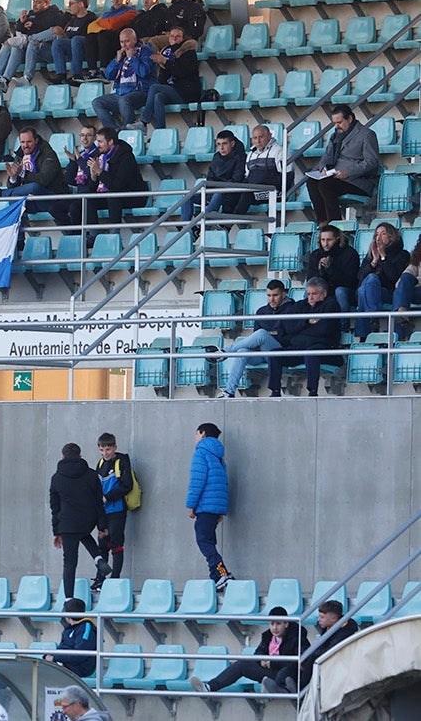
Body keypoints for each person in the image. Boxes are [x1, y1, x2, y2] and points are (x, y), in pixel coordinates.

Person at [190, 606, 309, 693]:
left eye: (278, 624)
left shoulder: (297, 635)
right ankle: (209, 687)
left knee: (286, 671)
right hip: (272, 672)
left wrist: (272, 662)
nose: (274, 627)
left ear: (286, 624)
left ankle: (281, 689)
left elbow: (297, 660)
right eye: (272, 624)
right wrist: (261, 660)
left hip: (288, 674)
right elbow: (258, 653)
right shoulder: (267, 636)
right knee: (243, 664)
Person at [49, 443, 112, 600]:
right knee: (84, 534)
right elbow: (99, 502)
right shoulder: (91, 475)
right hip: (87, 520)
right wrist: (102, 526)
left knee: (70, 562)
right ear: (80, 455)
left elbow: (54, 507)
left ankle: (69, 599)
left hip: (67, 523)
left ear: (63, 456)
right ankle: (98, 558)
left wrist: (56, 531)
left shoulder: (57, 478)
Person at [214, 279, 295, 398]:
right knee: (242, 352)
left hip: (282, 353)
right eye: (269, 295)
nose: (271, 299)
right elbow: (256, 338)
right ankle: (229, 391)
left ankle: (226, 351)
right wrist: (270, 335)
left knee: (262, 334)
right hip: (263, 353)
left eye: (275, 295)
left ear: (284, 294)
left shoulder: (292, 308)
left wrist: (268, 335)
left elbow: (287, 336)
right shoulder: (262, 311)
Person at [268, 277, 344, 396]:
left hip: (325, 350)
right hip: (299, 348)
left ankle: (312, 392)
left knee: (311, 353)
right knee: (274, 354)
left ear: (324, 293)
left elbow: (323, 330)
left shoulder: (331, 305)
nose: (311, 297)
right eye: (308, 294)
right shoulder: (300, 305)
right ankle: (275, 391)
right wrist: (307, 322)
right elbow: (289, 327)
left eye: (314, 294)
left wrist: (300, 330)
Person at [307, 105, 381, 224]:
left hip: (358, 181)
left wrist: (348, 172)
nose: (337, 126)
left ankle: (335, 225)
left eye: (340, 122)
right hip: (336, 176)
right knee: (312, 181)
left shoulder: (367, 135)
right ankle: (323, 222)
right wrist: (322, 169)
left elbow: (372, 162)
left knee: (325, 184)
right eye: (334, 123)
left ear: (350, 119)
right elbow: (326, 156)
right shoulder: (335, 135)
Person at [0, 0, 65, 92]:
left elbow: (56, 31)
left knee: (31, 42)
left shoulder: (55, 13)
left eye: (38, 2)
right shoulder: (30, 14)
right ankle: (1, 79)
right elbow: (17, 33)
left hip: (47, 50)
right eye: (34, 1)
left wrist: (34, 26)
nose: (35, 5)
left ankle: (27, 77)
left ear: (47, 2)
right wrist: (21, 23)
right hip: (30, 52)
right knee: (13, 46)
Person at [271, 599, 358, 693]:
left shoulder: (345, 630)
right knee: (298, 662)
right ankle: (281, 686)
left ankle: (298, 688)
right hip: (323, 660)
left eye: (322, 617)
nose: (318, 620)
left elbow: (330, 649)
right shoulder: (329, 627)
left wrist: (309, 658)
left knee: (311, 657)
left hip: (334, 662)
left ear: (333, 619)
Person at [186, 422, 234, 589]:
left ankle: (222, 573)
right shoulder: (218, 456)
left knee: (203, 541)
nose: (196, 438)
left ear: (203, 433)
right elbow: (223, 483)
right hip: (215, 507)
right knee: (209, 541)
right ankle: (216, 577)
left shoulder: (201, 453)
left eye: (197, 434)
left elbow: (197, 481)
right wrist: (221, 510)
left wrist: (191, 505)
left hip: (205, 506)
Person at [353, 221, 410, 341]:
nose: (379, 237)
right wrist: (374, 261)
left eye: (383, 233)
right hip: (366, 293)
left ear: (391, 236)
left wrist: (383, 257)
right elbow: (360, 276)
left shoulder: (402, 255)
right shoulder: (371, 256)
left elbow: (393, 277)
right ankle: (372, 319)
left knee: (369, 283)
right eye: (376, 234)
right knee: (367, 284)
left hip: (388, 293)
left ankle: (365, 333)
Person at [3, 127, 69, 227]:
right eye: (22, 142)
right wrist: (13, 178)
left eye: (29, 142)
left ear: (36, 141)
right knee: (15, 201)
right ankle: (19, 241)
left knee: (34, 187)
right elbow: (13, 188)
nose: (25, 145)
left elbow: (43, 180)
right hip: (31, 201)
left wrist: (22, 174)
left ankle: (1, 193)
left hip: (51, 199)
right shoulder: (20, 156)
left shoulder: (48, 154)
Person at [139, 26, 200, 134]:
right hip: (173, 90)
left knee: (154, 87)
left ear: (183, 38)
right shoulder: (168, 52)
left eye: (178, 36)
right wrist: (161, 64)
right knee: (158, 97)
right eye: (172, 36)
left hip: (186, 92)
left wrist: (166, 62)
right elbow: (164, 78)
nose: (174, 38)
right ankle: (160, 131)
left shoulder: (189, 53)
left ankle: (143, 122)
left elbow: (182, 72)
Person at [91, 29, 155, 131]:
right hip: (121, 93)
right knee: (97, 102)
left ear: (134, 39)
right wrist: (117, 60)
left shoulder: (145, 51)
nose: (124, 45)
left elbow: (144, 72)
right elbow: (108, 75)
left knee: (124, 100)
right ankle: (114, 131)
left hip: (141, 92)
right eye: (121, 42)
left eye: (127, 41)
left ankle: (128, 129)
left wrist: (132, 58)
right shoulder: (122, 54)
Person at [93, 432, 134, 582]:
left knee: (116, 545)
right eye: (102, 450)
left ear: (115, 447)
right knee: (102, 546)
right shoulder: (100, 463)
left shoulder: (122, 461)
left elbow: (127, 486)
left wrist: (107, 497)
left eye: (108, 449)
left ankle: (115, 579)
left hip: (117, 510)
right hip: (102, 512)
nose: (105, 453)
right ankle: (100, 578)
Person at [224, 125, 292, 215]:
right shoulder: (251, 155)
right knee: (230, 193)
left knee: (248, 194)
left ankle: (229, 223)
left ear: (269, 136)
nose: (258, 141)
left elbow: (288, 176)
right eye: (255, 138)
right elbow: (247, 177)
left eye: (261, 137)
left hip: (275, 192)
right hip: (255, 190)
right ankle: (223, 221)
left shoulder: (280, 151)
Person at [84, 127, 146, 226]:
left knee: (113, 196)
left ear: (110, 141)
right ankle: (91, 234)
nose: (97, 146)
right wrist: (93, 176)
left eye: (100, 142)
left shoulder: (126, 157)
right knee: (85, 200)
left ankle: (114, 233)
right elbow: (92, 188)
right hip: (111, 193)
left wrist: (100, 171)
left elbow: (117, 185)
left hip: (133, 195)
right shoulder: (100, 155)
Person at [180, 130, 246, 222]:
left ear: (232, 143)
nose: (221, 147)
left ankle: (200, 223)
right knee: (188, 196)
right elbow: (210, 177)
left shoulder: (240, 157)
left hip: (230, 193)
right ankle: (185, 226)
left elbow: (237, 179)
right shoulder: (216, 157)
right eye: (218, 144)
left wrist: (217, 187)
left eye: (224, 144)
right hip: (214, 191)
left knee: (218, 194)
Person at [303, 224, 361, 318]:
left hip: (346, 292)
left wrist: (330, 269)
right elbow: (310, 281)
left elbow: (351, 281)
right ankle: (309, 323)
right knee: (309, 292)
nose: (325, 244)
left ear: (337, 239)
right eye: (323, 240)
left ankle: (343, 327)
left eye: (329, 240)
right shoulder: (315, 255)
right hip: (324, 291)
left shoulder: (350, 254)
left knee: (340, 291)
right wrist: (320, 270)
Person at [85, 0, 137, 71]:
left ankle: (104, 68)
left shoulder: (131, 12)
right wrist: (106, 24)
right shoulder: (106, 14)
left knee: (103, 34)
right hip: (104, 41)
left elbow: (113, 24)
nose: (116, 1)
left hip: (119, 42)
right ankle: (92, 71)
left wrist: (101, 24)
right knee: (90, 37)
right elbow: (90, 27)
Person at [51, 0, 96, 86]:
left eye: (71, 3)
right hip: (72, 50)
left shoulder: (91, 19)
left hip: (86, 51)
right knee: (57, 42)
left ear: (81, 4)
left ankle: (76, 74)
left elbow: (89, 39)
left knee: (76, 39)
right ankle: (61, 75)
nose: (69, 6)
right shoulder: (71, 19)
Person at [46, 599, 98, 678]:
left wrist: (54, 657)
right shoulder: (69, 628)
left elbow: (79, 655)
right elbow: (63, 647)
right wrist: (49, 656)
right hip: (67, 665)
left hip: (80, 669)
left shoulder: (86, 627)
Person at [62, 126, 100, 228]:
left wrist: (79, 160)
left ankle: (80, 236)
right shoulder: (80, 154)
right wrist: (73, 161)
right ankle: (73, 235)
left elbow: (90, 173)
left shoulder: (98, 153)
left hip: (94, 195)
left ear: (95, 138)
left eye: (88, 135)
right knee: (55, 207)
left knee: (75, 207)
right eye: (82, 135)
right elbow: (69, 179)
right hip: (80, 194)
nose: (85, 138)